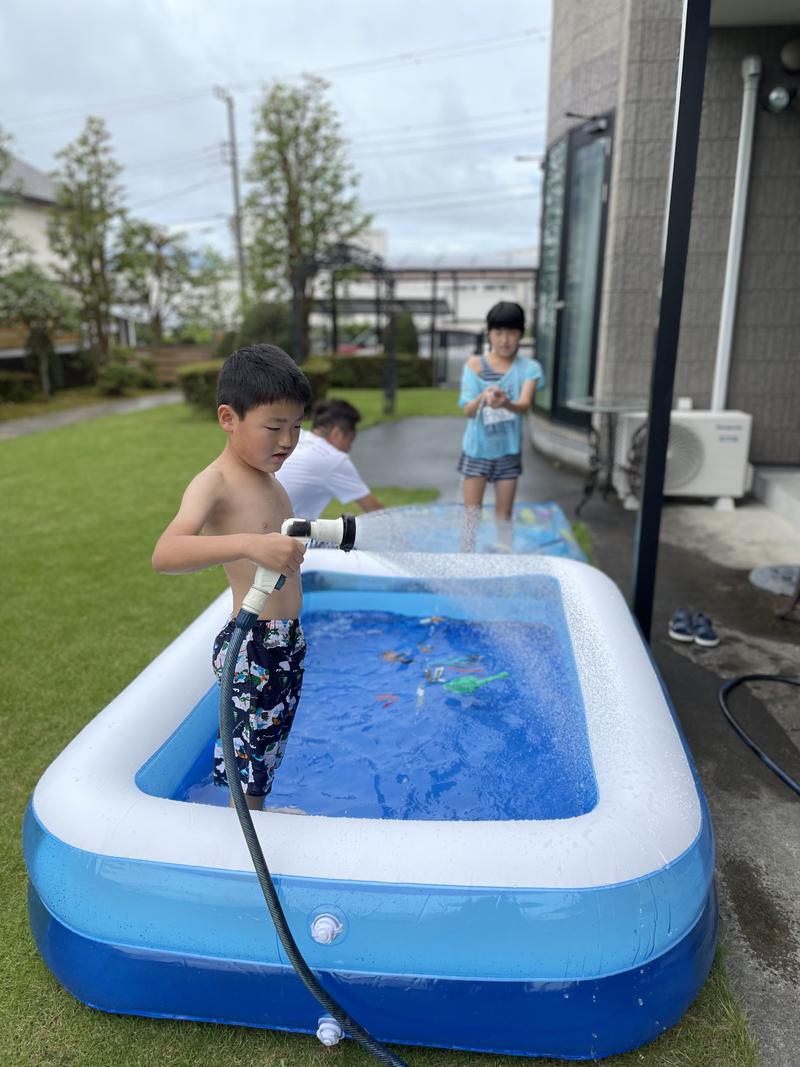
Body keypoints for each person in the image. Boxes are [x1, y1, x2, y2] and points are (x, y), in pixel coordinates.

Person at [152, 344, 310, 811]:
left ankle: (257, 815)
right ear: (228, 418)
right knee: (248, 757)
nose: (287, 440)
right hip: (253, 643)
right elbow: (166, 553)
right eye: (274, 427)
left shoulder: (269, 479)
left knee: (267, 749)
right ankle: (242, 835)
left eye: (297, 427)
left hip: (284, 638)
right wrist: (247, 543)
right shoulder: (215, 481)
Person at [457, 301, 543, 550]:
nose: (505, 340)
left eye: (512, 332)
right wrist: (483, 398)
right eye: (499, 332)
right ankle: (465, 562)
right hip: (477, 451)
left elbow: (524, 405)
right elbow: (468, 411)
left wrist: (505, 403)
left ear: (521, 335)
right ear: (489, 334)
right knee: (470, 516)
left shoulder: (529, 368)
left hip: (508, 453)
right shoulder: (474, 365)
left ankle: (503, 563)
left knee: (504, 516)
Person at [276, 398, 384, 518]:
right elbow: (376, 511)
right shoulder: (334, 460)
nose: (349, 448)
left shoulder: (297, 436)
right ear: (336, 433)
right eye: (350, 441)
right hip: (284, 533)